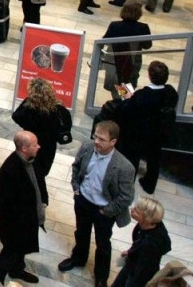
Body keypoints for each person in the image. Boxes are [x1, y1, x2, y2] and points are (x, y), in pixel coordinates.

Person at [58, 120, 136, 287]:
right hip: (83, 201)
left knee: (103, 243)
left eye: (101, 139)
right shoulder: (87, 147)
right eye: (95, 136)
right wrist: (76, 190)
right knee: (81, 233)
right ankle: (78, 258)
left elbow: (126, 197)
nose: (96, 142)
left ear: (113, 142)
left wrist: (106, 211)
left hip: (104, 210)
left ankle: (101, 276)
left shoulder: (124, 166)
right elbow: (76, 167)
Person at [114, 61, 179, 194]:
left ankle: (127, 186)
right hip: (158, 134)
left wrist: (126, 97)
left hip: (140, 134)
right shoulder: (170, 92)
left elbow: (126, 109)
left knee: (133, 159)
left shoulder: (142, 95)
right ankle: (150, 185)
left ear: (149, 76)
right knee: (154, 159)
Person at [0, 131, 48, 284]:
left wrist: (43, 200)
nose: (39, 146)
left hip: (29, 219)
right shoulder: (9, 170)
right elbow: (6, 203)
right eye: (35, 144)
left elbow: (40, 181)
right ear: (24, 148)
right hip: (16, 223)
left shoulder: (34, 158)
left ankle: (17, 270)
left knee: (22, 249)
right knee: (10, 252)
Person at [12, 77, 67, 178]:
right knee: (41, 173)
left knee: (26, 172)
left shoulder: (29, 108)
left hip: (30, 144)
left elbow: (15, 116)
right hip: (48, 148)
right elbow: (67, 125)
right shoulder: (58, 110)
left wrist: (26, 126)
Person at [112, 197, 172, 287]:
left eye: (136, 210)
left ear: (147, 217)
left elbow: (141, 274)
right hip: (133, 264)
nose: (132, 210)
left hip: (137, 274)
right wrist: (131, 251)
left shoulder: (150, 245)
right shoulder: (151, 224)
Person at [102, 0, 153, 92]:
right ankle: (123, 98)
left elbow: (105, 41)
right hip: (132, 60)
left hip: (114, 58)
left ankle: (118, 97)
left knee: (116, 80)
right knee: (127, 82)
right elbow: (147, 45)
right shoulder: (143, 27)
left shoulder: (115, 25)